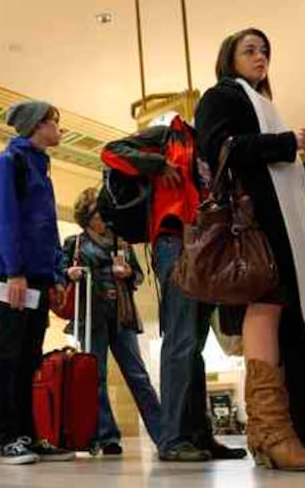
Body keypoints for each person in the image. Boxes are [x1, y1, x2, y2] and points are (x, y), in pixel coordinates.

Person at [195, 28, 305, 471]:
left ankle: (267, 432)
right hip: (253, 225)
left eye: (265, 51)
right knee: (265, 308)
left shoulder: (264, 107)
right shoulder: (220, 96)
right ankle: (271, 431)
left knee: (273, 312)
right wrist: (286, 143)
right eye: (250, 50)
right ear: (230, 58)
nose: (260, 56)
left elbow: (276, 175)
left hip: (272, 223)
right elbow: (219, 149)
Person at [102, 119, 246, 462]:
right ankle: (174, 438)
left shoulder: (218, 148)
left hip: (209, 243)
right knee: (181, 339)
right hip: (177, 241)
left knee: (195, 343)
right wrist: (157, 164)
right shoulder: (168, 136)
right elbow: (111, 152)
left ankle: (198, 434)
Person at [0, 100, 73, 465]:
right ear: (37, 125)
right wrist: (15, 270)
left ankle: (28, 435)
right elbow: (1, 219)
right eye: (55, 121)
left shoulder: (42, 167)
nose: (59, 128)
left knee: (29, 357)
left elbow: (47, 229)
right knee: (7, 355)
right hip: (12, 274)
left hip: (36, 275)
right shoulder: (7, 163)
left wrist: (55, 275)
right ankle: (7, 438)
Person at [62, 188, 161, 455]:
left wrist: (129, 272)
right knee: (97, 377)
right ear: (86, 216)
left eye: (104, 212)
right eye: (96, 213)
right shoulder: (76, 243)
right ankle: (106, 437)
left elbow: (138, 277)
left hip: (122, 313)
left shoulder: (122, 241)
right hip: (91, 314)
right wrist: (69, 272)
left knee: (138, 375)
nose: (102, 219)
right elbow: (59, 273)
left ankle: (164, 434)